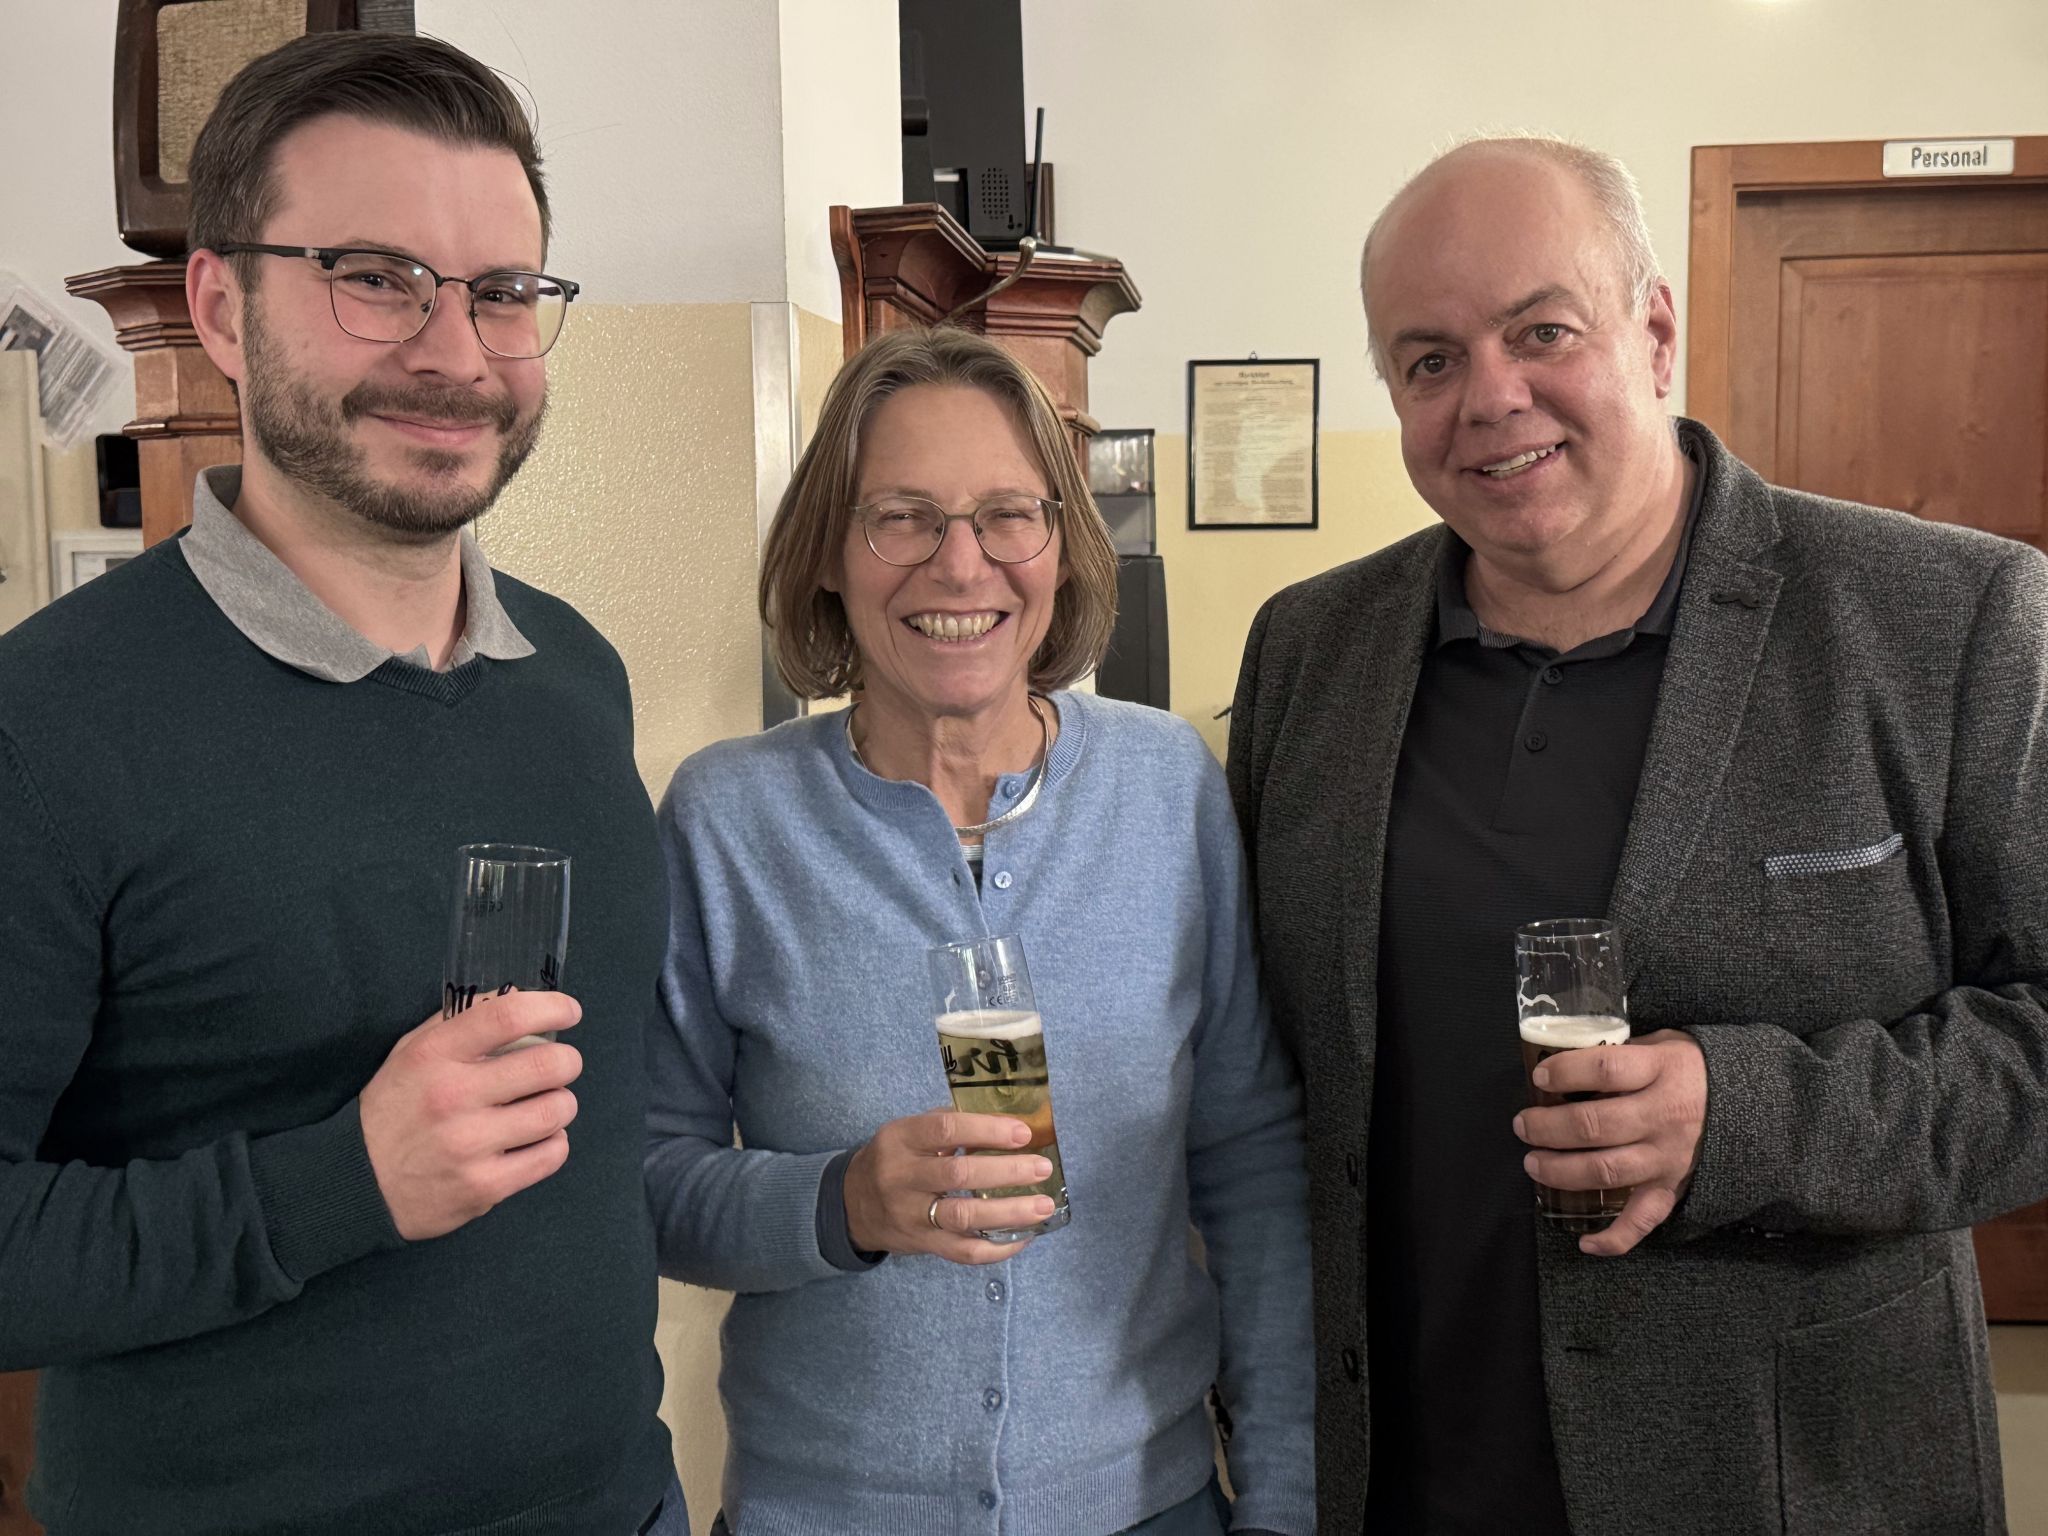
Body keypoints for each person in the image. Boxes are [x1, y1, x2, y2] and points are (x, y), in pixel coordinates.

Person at [1228, 134, 2048, 1535]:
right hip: (1407, 1472)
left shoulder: (1944, 620)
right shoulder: (1312, 653)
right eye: (1427, 361)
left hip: (1791, 1484)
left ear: (1654, 331)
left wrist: (1745, 1119)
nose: (1491, 397)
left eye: (1541, 331)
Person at [0, 32, 684, 1536]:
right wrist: (343, 1182)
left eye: (503, 292)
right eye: (374, 276)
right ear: (220, 307)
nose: (456, 353)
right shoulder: (45, 722)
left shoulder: (573, 678)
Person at [645, 326, 1314, 1536]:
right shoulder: (729, 818)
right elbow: (649, 1182)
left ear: (1061, 550)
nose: (962, 567)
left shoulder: (1166, 791)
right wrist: (839, 1202)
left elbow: (1251, 1162)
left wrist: (1280, 1503)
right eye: (901, 516)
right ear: (827, 559)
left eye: (1009, 515)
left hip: (1145, 1508)